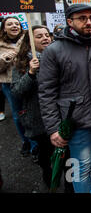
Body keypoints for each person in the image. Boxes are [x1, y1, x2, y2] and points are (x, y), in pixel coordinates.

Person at [38, 4, 91, 193]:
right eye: (82, 18)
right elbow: (46, 92)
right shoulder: (54, 50)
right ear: (70, 22)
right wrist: (53, 129)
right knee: (81, 167)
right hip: (76, 122)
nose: (89, 22)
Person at [11, 25, 74, 192]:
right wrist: (31, 73)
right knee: (46, 158)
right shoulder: (22, 63)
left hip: (61, 117)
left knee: (68, 156)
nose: (45, 38)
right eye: (39, 36)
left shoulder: (58, 57)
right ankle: (50, 180)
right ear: (29, 41)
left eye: (47, 35)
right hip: (38, 120)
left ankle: (70, 186)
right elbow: (17, 91)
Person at [0, 16, 38, 157]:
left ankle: (35, 144)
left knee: (32, 112)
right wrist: (5, 58)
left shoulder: (28, 40)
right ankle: (26, 141)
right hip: (10, 84)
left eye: (17, 23)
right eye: (10, 24)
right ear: (4, 28)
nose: (14, 26)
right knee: (18, 115)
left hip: (29, 79)